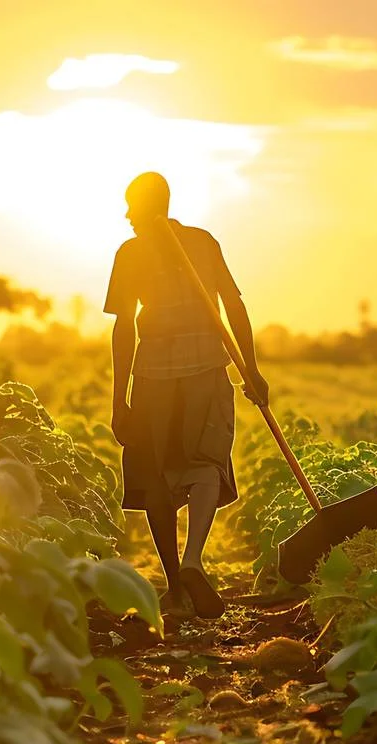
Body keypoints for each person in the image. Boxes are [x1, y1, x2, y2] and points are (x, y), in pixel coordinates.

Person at [104, 171, 269, 620]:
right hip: (204, 370)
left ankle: (176, 585)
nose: (127, 216)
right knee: (206, 462)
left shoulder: (133, 252)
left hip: (154, 373)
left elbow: (122, 327)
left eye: (132, 206)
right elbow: (234, 304)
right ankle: (194, 559)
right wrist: (249, 368)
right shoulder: (201, 241)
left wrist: (121, 400)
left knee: (158, 476)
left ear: (151, 205)